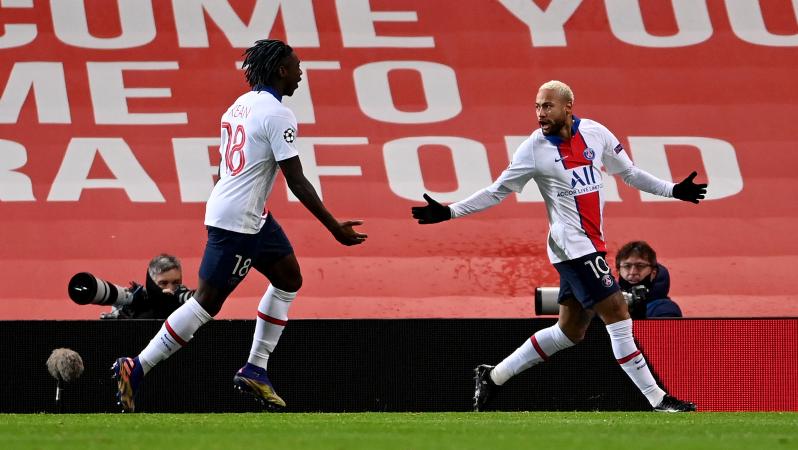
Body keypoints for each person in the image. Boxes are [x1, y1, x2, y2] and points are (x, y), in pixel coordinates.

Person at [411, 80, 705, 413]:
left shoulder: (595, 133)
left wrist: (672, 190)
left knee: (570, 331)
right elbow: (497, 191)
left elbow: (629, 173)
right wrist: (450, 211)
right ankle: (658, 399)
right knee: (618, 314)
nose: (540, 114)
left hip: (591, 243)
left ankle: (492, 377)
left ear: (568, 106)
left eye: (547, 106)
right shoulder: (533, 149)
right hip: (573, 248)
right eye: (537, 106)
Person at [111, 39, 367, 413]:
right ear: (280, 70)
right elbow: (295, 180)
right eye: (297, 66)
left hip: (247, 213)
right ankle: (138, 366)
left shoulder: (238, 106)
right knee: (206, 304)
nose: (301, 73)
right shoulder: (278, 114)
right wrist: (334, 228)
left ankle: (256, 369)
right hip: (239, 222)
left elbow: (223, 169)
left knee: (288, 278)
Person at [99, 254, 194, 320]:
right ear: (151, 282)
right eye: (163, 283)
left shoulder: (190, 302)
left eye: (176, 283)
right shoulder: (131, 302)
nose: (170, 288)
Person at [616, 241, 683, 319]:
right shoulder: (607, 304)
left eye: (640, 266)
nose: (633, 272)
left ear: (653, 273)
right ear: (618, 271)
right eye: (627, 266)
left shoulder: (665, 309)